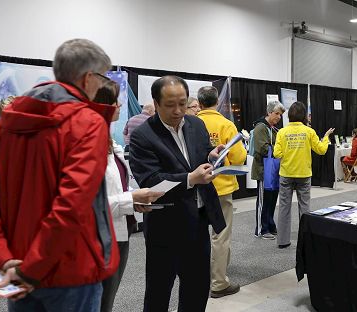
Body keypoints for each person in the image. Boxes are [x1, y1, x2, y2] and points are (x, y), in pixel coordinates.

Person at [0, 39, 120, 312]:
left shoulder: (8, 122)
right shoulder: (88, 122)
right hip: (70, 267)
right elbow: (72, 205)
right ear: (88, 78)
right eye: (102, 77)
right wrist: (33, 268)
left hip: (16, 264)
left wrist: (1, 257)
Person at [129, 75, 226, 312]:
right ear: (156, 103)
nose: (178, 110)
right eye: (171, 105)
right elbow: (152, 185)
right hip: (166, 225)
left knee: (197, 288)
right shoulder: (143, 136)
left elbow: (198, 155)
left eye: (183, 103)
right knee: (159, 291)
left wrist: (211, 155)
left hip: (198, 220)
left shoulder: (196, 125)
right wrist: (190, 179)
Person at [93, 82, 164, 312]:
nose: (120, 104)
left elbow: (115, 187)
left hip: (119, 230)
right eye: (114, 101)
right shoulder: (88, 146)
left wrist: (134, 199)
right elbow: (87, 204)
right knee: (98, 301)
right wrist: (130, 200)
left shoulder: (109, 140)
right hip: (99, 237)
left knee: (107, 298)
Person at [196, 86, 246, 298]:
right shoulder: (226, 124)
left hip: (195, 186)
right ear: (217, 101)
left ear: (198, 103)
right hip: (221, 187)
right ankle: (218, 282)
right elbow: (238, 157)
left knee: (197, 235)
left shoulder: (191, 123)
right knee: (221, 235)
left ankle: (196, 277)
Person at [273, 101, 334, 249]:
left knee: (284, 208)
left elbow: (276, 154)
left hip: (286, 174)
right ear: (304, 115)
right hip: (304, 175)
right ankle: (306, 240)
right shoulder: (309, 132)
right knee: (305, 208)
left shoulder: (282, 132)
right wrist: (326, 137)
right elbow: (321, 150)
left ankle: (282, 241)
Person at [251, 101, 286, 240]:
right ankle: (261, 229)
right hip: (263, 170)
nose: (279, 117)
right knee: (264, 201)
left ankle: (270, 225)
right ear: (269, 112)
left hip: (273, 170)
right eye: (277, 113)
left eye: (281, 114)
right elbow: (263, 149)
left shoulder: (273, 129)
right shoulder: (261, 128)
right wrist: (279, 151)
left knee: (272, 200)